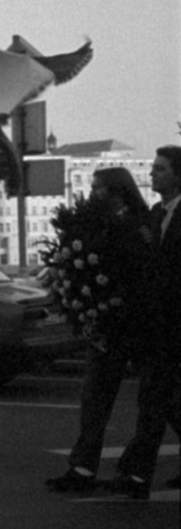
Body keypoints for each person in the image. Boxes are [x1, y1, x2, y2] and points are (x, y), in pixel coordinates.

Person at [44, 167, 154, 493]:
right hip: (105, 327)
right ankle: (82, 468)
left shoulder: (139, 224)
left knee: (158, 401)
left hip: (135, 325)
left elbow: (140, 272)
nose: (92, 193)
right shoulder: (93, 225)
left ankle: (125, 470)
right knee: (95, 399)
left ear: (118, 191)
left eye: (99, 188)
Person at [111, 146, 181, 499]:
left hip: (174, 324)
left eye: (161, 169)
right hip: (158, 326)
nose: (152, 174)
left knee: (158, 399)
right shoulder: (156, 215)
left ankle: (135, 473)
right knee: (157, 399)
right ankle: (135, 473)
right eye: (153, 168)